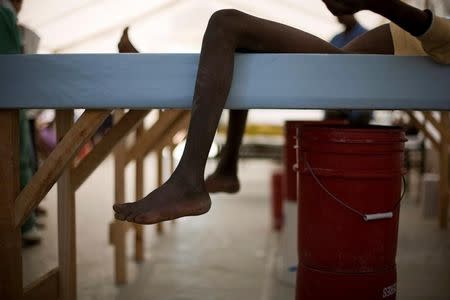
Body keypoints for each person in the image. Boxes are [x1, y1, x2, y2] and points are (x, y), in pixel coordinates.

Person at [114, 0, 450, 225]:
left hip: (349, 78)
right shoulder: (347, 35)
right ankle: (227, 168)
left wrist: (374, 2)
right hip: (346, 68)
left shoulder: (422, 27)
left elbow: (430, 30)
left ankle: (188, 181)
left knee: (225, 24)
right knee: (241, 49)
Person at [326, 14, 373, 124]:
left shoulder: (369, 36)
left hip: (362, 102)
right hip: (336, 100)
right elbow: (327, 68)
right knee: (331, 132)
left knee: (360, 136)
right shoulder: (336, 39)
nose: (338, 16)